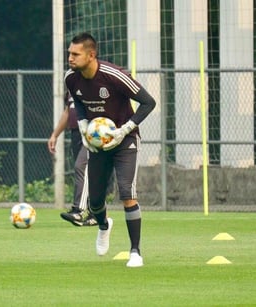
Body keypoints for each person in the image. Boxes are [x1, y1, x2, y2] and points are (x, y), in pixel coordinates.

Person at [64, 32, 156, 267]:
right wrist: (84, 125)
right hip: (99, 144)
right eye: (69, 53)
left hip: (125, 140)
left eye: (75, 54)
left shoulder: (113, 76)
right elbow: (80, 105)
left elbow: (149, 102)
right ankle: (104, 226)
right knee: (95, 202)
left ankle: (135, 251)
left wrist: (125, 129)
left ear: (91, 54)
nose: (70, 58)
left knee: (127, 192)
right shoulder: (71, 79)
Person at [48, 91, 97, 226]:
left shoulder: (92, 83)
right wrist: (55, 135)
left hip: (93, 134)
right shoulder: (71, 85)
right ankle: (96, 214)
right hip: (76, 133)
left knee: (81, 167)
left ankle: (79, 210)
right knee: (90, 174)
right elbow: (67, 112)